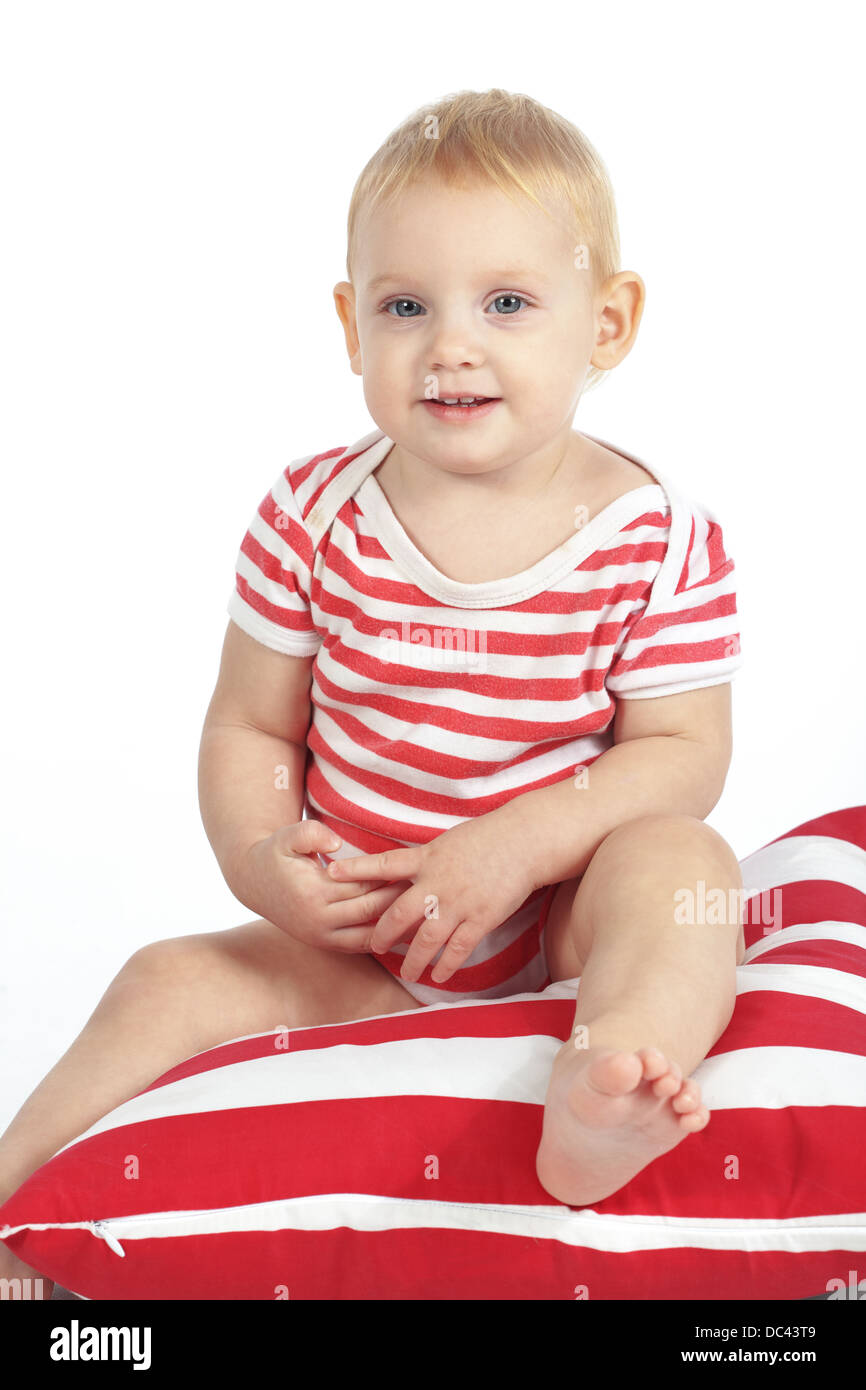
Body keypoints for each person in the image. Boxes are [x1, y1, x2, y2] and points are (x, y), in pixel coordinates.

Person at [0, 88, 746, 1297]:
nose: (451, 344)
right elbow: (250, 721)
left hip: (559, 927)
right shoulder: (312, 514)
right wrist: (260, 856)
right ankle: (12, 1197)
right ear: (350, 326)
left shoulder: (655, 539)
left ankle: (605, 1082)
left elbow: (677, 749)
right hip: (371, 938)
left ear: (606, 324)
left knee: (686, 865)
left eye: (507, 303)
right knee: (163, 977)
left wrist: (514, 846)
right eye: (405, 306)